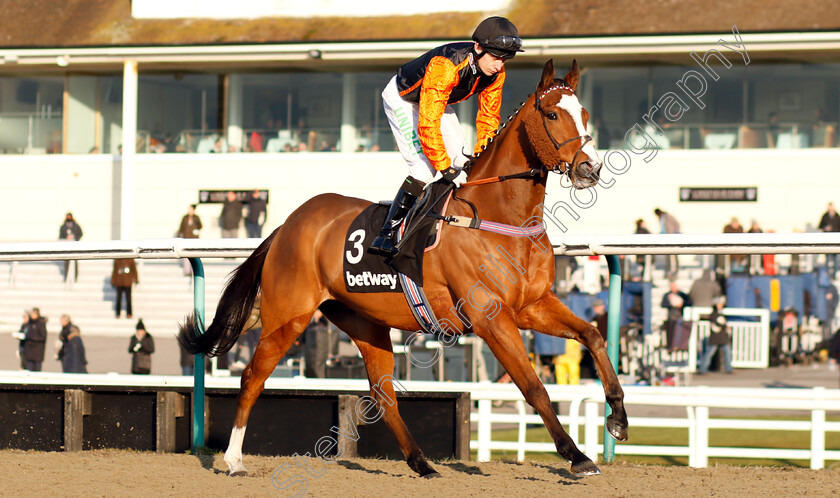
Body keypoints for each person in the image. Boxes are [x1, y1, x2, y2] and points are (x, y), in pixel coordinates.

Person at [369, 16, 524, 256]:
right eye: (495, 58)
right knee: (424, 169)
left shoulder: (496, 74)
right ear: (479, 48)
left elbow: (488, 119)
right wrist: (443, 166)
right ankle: (386, 233)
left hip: (438, 103)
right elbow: (428, 123)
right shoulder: (446, 66)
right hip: (404, 99)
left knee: (463, 162)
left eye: (506, 59)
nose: (499, 66)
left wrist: (483, 157)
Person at [697, 296, 733, 374]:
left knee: (727, 353)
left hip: (722, 337)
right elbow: (718, 324)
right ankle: (702, 369)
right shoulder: (714, 314)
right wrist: (724, 326)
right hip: (716, 338)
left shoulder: (720, 313)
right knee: (709, 353)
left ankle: (729, 369)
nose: (721, 305)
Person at [661, 280, 692, 350]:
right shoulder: (667, 295)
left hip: (680, 316)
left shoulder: (682, 294)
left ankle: (679, 346)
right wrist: (670, 302)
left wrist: (681, 304)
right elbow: (663, 304)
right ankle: (671, 347)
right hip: (671, 317)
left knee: (679, 331)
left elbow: (689, 302)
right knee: (671, 333)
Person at [303, 310, 332, 379]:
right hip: (310, 351)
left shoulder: (324, 325)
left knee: (319, 369)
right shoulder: (310, 325)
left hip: (320, 351)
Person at [177, 204, 203, 275]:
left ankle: (194, 271)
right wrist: (179, 236)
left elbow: (200, 226)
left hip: (194, 239)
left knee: (194, 255)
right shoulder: (185, 218)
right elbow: (181, 227)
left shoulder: (196, 217)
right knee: (186, 256)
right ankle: (187, 271)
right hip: (186, 239)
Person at [654, 208, 681, 275]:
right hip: (665, 239)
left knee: (675, 253)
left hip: (672, 237)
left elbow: (677, 224)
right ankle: (668, 269)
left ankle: (676, 269)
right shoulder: (660, 219)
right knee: (667, 254)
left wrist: (675, 232)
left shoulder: (668, 216)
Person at [58, 212, 83, 282]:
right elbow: (60, 236)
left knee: (75, 262)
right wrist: (66, 238)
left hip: (75, 247)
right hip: (67, 247)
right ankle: (66, 277)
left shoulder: (76, 226)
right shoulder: (63, 227)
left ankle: (75, 278)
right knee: (67, 262)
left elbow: (80, 234)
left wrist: (75, 238)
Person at [818, 202, 840, 274]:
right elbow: (820, 226)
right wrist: (825, 228)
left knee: (836, 259)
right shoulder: (825, 216)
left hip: (836, 240)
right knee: (827, 259)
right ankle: (827, 275)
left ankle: (835, 274)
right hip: (827, 240)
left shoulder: (837, 216)